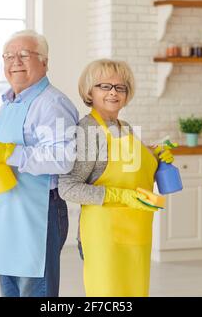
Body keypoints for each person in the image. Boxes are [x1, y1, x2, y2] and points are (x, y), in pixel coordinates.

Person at [0, 29, 79, 297]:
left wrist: (8, 152)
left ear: (44, 62)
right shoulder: (9, 102)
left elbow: (63, 159)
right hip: (6, 212)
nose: (14, 61)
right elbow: (5, 156)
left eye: (24, 55)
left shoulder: (53, 104)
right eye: (8, 56)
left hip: (39, 213)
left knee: (34, 290)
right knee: (10, 290)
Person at [58, 59, 174, 297]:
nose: (113, 92)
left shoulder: (125, 127)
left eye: (120, 87)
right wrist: (118, 195)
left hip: (137, 230)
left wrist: (156, 158)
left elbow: (132, 175)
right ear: (89, 90)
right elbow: (68, 187)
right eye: (104, 86)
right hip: (105, 236)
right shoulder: (88, 131)